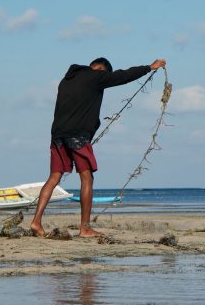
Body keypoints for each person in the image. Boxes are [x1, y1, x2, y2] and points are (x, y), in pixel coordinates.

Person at [31, 57, 167, 237]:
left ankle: (36, 221)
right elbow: (123, 76)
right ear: (102, 70)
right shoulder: (96, 77)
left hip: (57, 135)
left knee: (54, 177)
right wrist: (150, 67)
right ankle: (85, 227)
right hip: (77, 135)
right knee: (87, 178)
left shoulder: (66, 80)